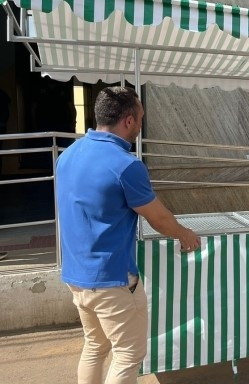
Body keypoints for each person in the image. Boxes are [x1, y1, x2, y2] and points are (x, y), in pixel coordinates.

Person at [55, 86, 201, 384]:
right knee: (129, 353)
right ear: (129, 121)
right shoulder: (126, 165)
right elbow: (158, 217)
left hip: (75, 274)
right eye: (141, 118)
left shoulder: (68, 155)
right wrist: (184, 234)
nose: (142, 124)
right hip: (111, 279)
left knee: (95, 346)